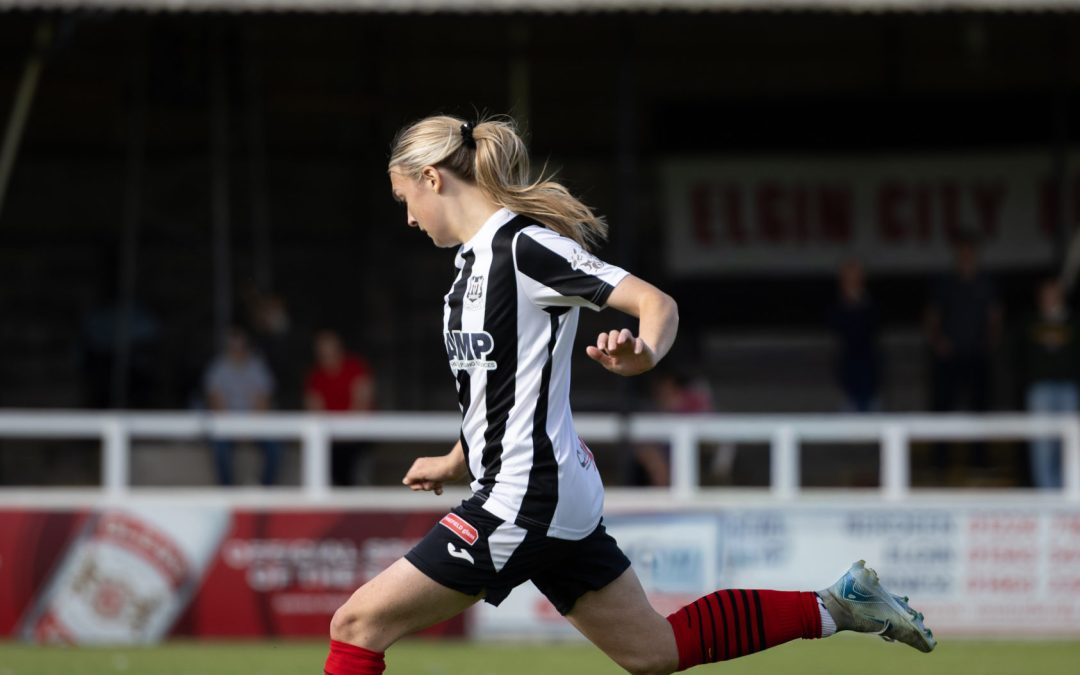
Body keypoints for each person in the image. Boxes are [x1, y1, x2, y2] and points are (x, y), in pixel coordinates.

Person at [324, 115, 935, 675]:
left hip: (528, 493)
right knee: (653, 652)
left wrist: (644, 354)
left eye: (406, 200)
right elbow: (504, 388)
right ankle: (838, 606)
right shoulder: (468, 269)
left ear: (431, 177)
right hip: (542, 487)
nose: (407, 218)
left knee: (357, 624)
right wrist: (456, 459)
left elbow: (655, 304)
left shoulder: (525, 249)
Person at [924, 232, 1003, 469]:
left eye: (971, 251)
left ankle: (979, 460)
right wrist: (937, 341)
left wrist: (990, 341)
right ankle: (941, 460)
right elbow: (931, 315)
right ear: (957, 254)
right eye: (963, 251)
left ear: (976, 254)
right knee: (942, 407)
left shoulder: (986, 282)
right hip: (949, 355)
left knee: (980, 408)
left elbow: (995, 315)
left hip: (977, 354)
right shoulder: (945, 282)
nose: (966, 255)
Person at [1019, 277, 1079, 489]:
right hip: (1040, 389)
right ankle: (1046, 495)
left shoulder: (1074, 322)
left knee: (1070, 443)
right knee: (1042, 444)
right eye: (1045, 294)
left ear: (1061, 296)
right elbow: (1019, 356)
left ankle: (1069, 493)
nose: (1048, 298)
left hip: (1069, 389)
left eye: (1053, 294)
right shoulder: (1029, 322)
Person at [203, 326, 281, 486]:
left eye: (241, 346)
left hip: (256, 424)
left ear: (247, 346)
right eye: (233, 346)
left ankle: (264, 490)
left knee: (275, 445)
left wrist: (249, 428)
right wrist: (234, 428)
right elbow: (216, 403)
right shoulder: (218, 368)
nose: (237, 350)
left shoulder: (257, 367)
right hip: (227, 425)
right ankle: (228, 492)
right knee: (219, 447)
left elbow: (263, 401)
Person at [305, 330, 377, 486]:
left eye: (331, 349)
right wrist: (333, 433)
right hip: (331, 437)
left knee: (349, 461)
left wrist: (346, 431)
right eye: (322, 351)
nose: (327, 355)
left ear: (339, 349)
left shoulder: (356, 367)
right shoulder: (315, 377)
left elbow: (362, 404)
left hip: (357, 434)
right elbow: (315, 410)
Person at [829, 258, 881, 412]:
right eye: (848, 278)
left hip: (870, 376)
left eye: (855, 277)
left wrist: (858, 303)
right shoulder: (836, 308)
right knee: (848, 427)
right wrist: (848, 303)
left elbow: (871, 329)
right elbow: (839, 330)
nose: (852, 282)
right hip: (846, 377)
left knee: (873, 427)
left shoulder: (871, 305)